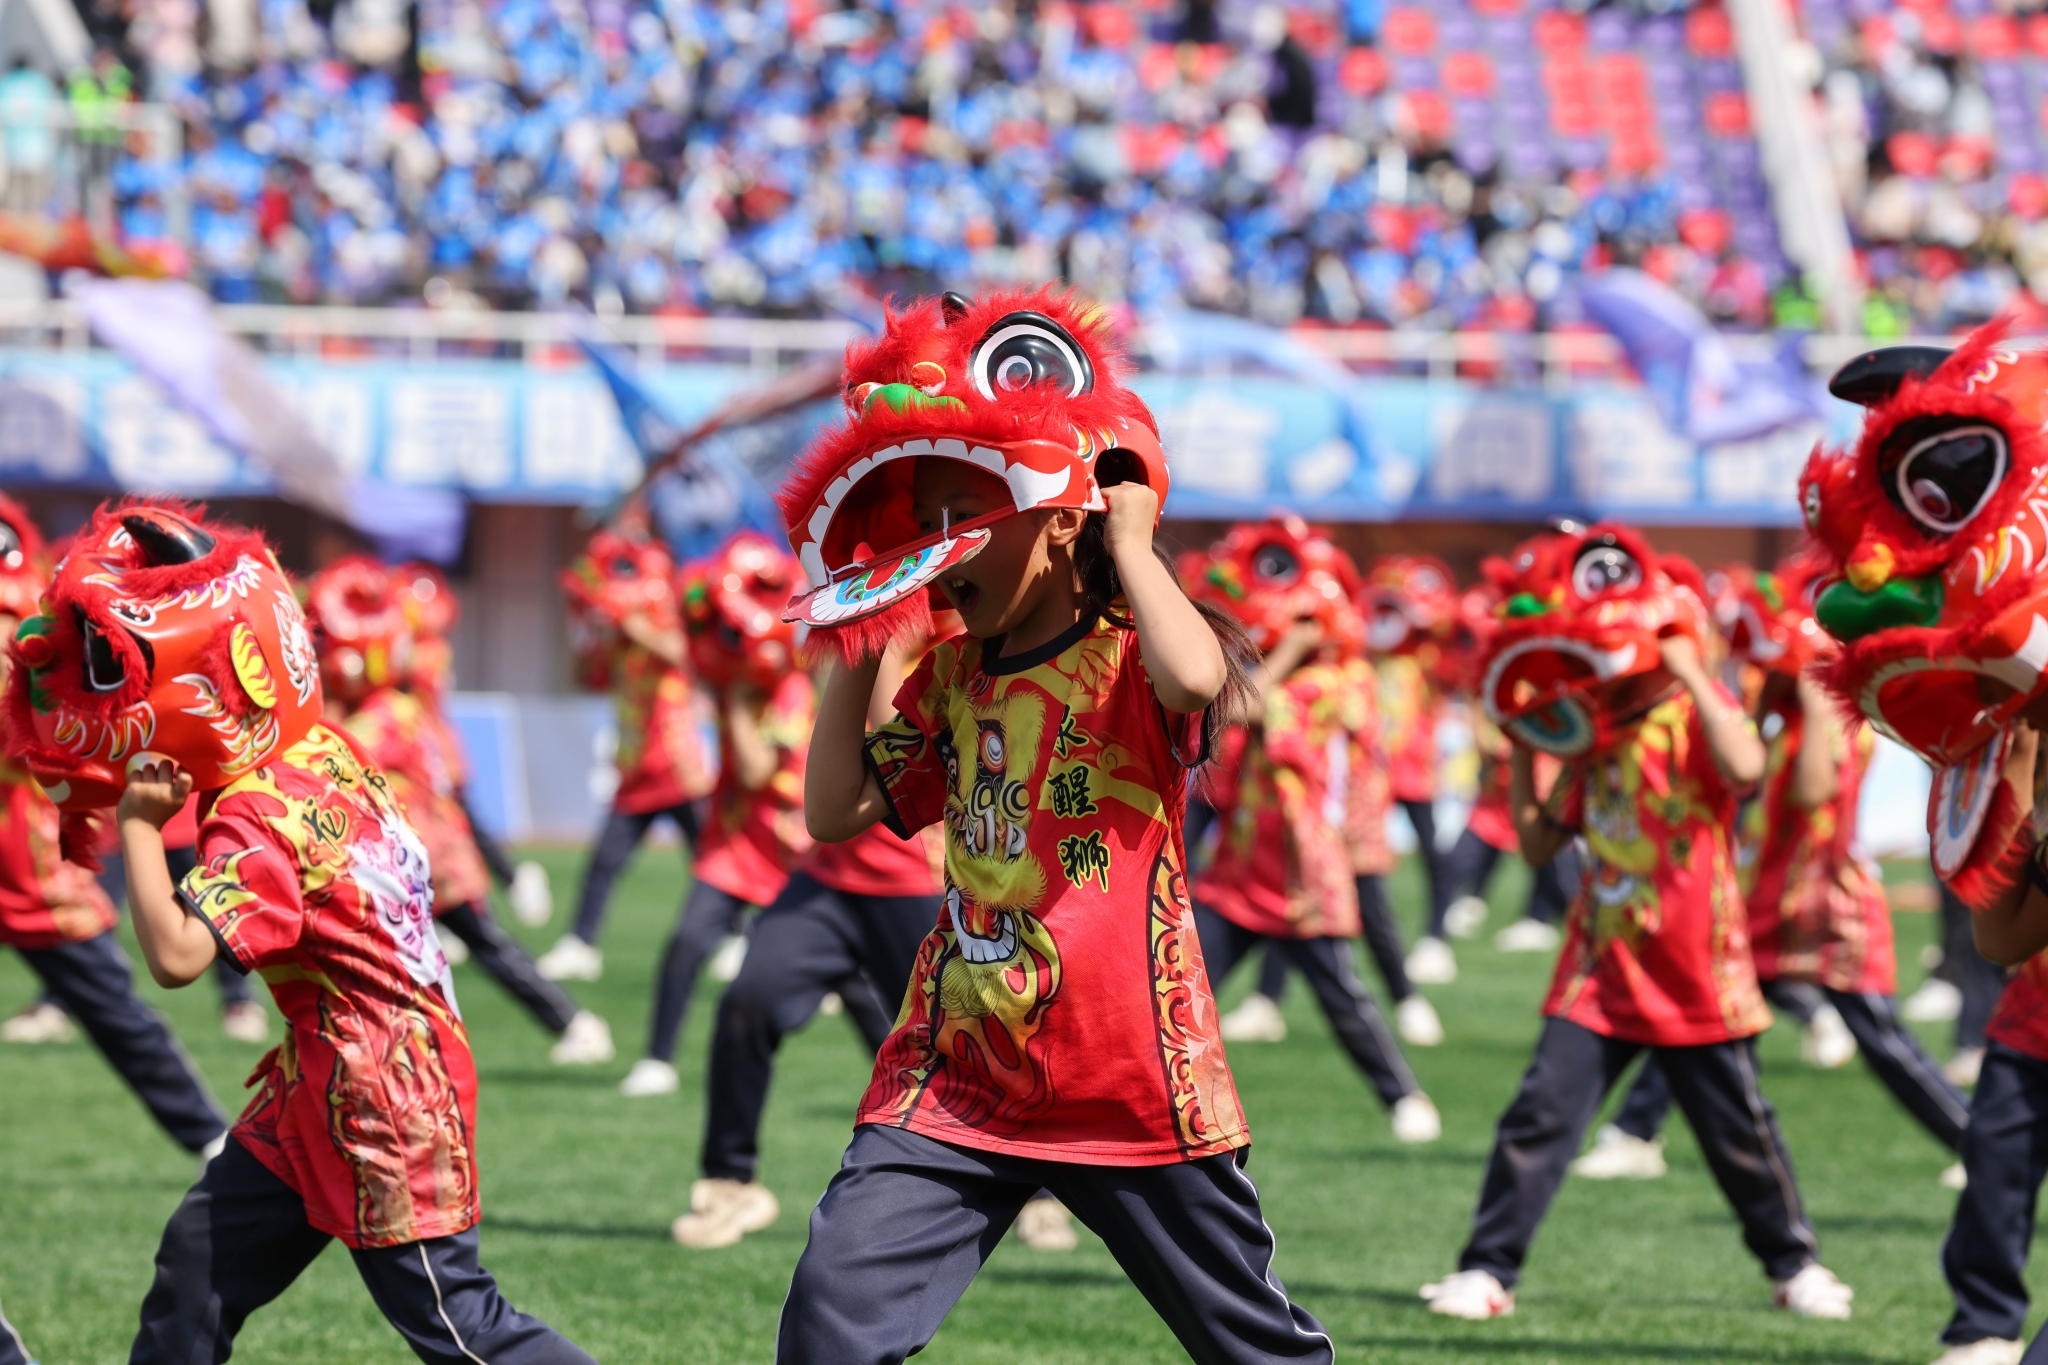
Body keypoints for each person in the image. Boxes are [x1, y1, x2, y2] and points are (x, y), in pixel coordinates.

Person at [774, 288, 1333, 1363]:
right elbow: (834, 810)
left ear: (1057, 515)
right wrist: (852, 643)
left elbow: (1195, 673)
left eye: (958, 517)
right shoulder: (948, 674)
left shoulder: (1129, 654)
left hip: (1126, 1080)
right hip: (955, 1071)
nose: (934, 552)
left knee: (1256, 1350)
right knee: (828, 1327)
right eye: (921, 522)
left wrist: (1131, 534)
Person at [4, 502, 598, 1364]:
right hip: (318, 1079)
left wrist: (139, 824)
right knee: (197, 1265)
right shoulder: (321, 746)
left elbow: (176, 958)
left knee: (460, 1325)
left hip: (381, 1098)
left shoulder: (255, 814)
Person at [1422, 524, 1853, 1321]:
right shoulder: (1594, 734)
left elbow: (1748, 768)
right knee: (1539, 1116)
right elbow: (1540, 839)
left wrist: (1688, 661)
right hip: (1602, 964)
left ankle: (1795, 1265)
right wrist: (1524, 740)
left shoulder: (1693, 715)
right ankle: (1487, 1270)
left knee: (1740, 1135)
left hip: (1699, 963)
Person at [1574, 561, 1968, 1186]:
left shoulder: (1840, 718)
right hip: (1765, 905)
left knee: (1880, 1036)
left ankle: (1973, 1142)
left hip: (1824, 906)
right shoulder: (1779, 717)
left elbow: (1814, 793)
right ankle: (1635, 1131)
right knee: (1704, 1013)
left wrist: (1813, 701)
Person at [675, 628, 951, 1249]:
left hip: (914, 881)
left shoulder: (958, 630)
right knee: (748, 1001)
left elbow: (893, 732)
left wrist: (880, 624)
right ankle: (729, 1184)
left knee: (959, 1046)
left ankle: (1038, 1190)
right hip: (825, 880)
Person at [1183, 517, 1440, 1141]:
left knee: (1342, 999)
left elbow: (1242, 706)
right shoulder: (1270, 669)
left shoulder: (1335, 681)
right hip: (1242, 870)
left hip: (1304, 875)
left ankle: (1405, 1096)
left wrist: (1293, 647)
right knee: (1178, 995)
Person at [307, 556, 614, 1066]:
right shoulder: (391, 707)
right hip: (416, 860)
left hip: (434, 863)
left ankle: (575, 1023)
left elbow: (327, 757)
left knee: (488, 948)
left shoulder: (385, 716)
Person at [618, 530, 814, 1098]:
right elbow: (685, 648)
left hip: (788, 841)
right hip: (732, 842)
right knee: (686, 942)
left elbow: (756, 771)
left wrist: (730, 700)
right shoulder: (735, 676)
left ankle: (903, 1070)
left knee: (850, 975)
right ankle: (658, 1059)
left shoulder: (792, 692)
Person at [538, 529, 717, 982]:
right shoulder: (617, 642)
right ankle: (581, 943)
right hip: (636, 767)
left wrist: (633, 621)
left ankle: (736, 938)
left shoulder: (667, 621)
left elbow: (684, 654)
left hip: (678, 765)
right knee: (604, 863)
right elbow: (587, 675)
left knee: (712, 858)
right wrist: (587, 627)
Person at [1362, 555, 1456, 983]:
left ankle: (1436, 938)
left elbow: (1455, 632)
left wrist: (1420, 612)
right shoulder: (1368, 652)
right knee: (1348, 860)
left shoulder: (1430, 652)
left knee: (1433, 854)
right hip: (1373, 771)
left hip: (1416, 769)